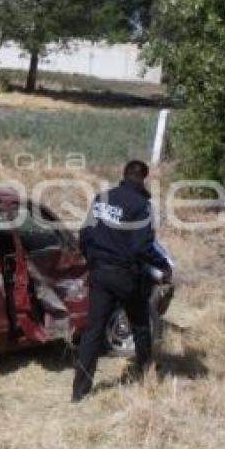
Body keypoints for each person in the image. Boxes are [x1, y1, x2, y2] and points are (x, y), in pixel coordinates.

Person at [72, 160, 171, 402]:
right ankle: (147, 375)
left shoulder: (101, 198)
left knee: (93, 331)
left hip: (100, 273)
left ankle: (79, 392)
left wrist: (91, 260)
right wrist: (164, 265)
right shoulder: (141, 206)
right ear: (144, 178)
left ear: (124, 174)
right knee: (140, 325)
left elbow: (84, 235)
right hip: (127, 276)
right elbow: (141, 247)